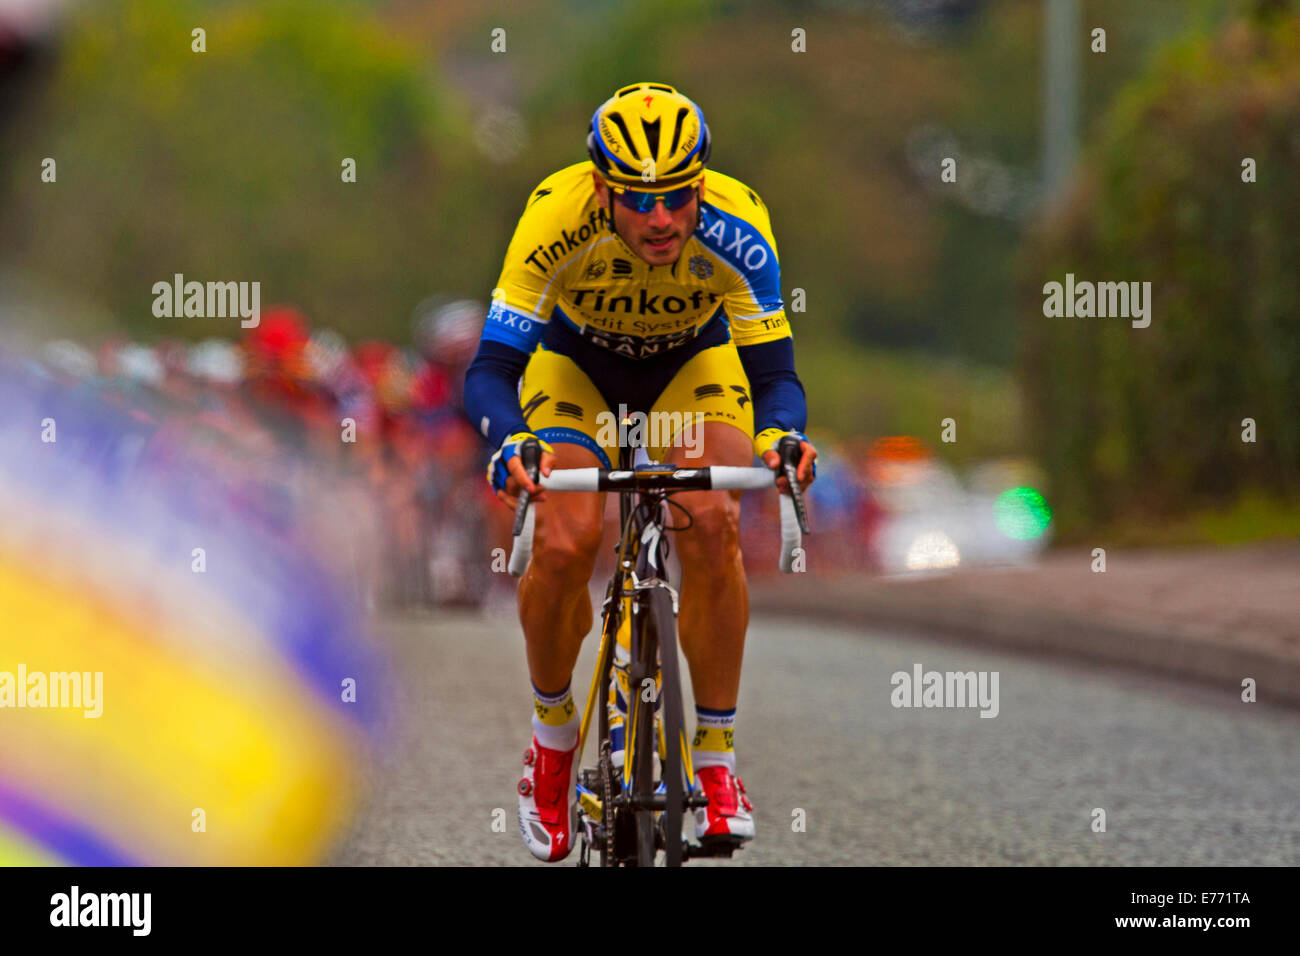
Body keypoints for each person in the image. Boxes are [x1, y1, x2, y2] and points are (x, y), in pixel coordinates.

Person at [463, 82, 817, 862]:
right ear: (601, 188)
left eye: (676, 198)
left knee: (714, 515)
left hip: (691, 367)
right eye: (637, 201)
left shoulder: (738, 224)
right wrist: (510, 441)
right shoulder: (554, 217)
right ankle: (552, 750)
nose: (660, 220)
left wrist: (781, 437)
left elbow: (775, 375)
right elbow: (490, 368)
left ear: (700, 185)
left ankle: (718, 762)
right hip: (576, 371)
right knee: (565, 540)